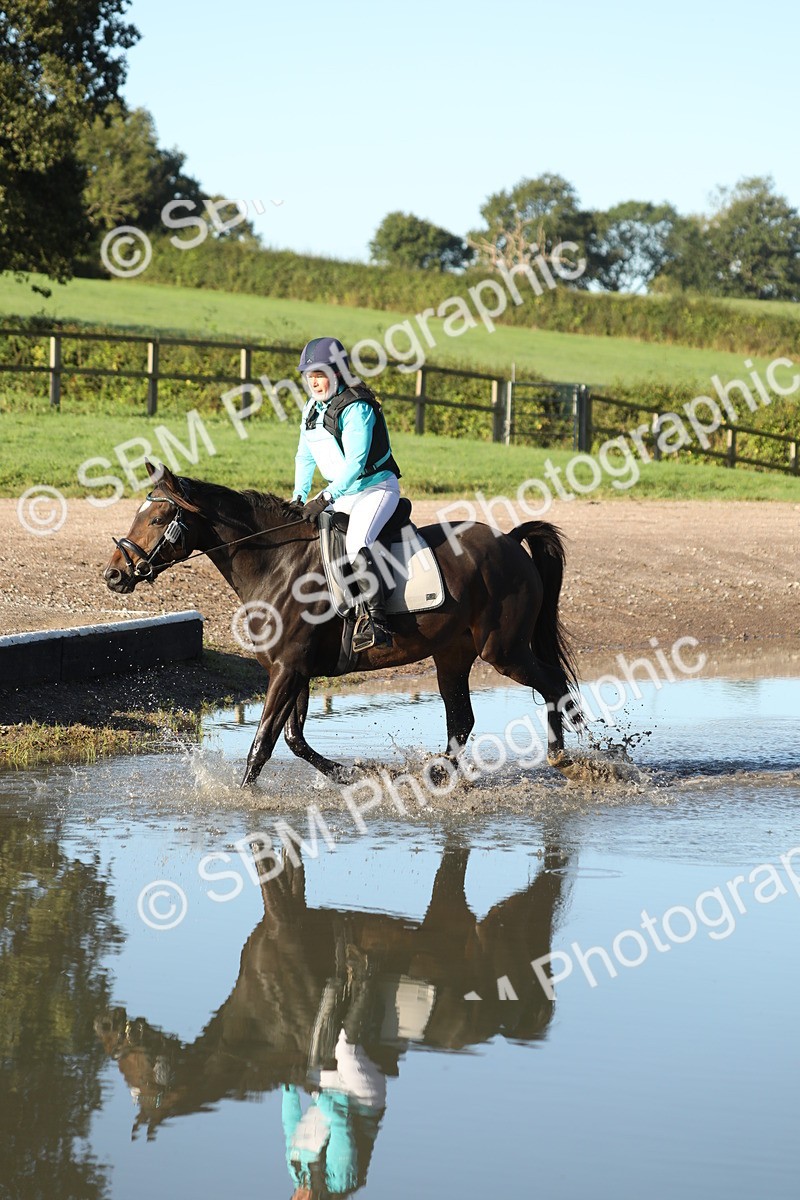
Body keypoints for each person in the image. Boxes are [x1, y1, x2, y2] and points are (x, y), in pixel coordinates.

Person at [293, 337, 402, 652]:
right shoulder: (311, 409)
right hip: (341, 494)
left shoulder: (357, 407)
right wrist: (299, 497)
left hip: (375, 488)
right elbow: (305, 456)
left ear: (337, 372)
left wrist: (325, 498)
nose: (314, 381)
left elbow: (355, 462)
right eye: (309, 375)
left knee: (357, 542)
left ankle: (378, 624)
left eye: (320, 374)